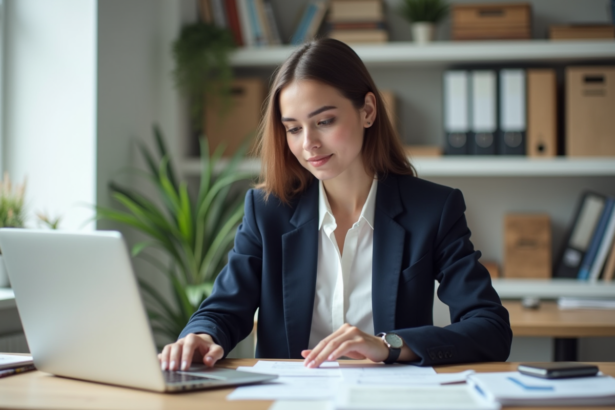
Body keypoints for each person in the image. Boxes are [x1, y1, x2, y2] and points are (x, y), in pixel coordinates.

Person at [158, 38, 512, 372]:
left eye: (324, 121)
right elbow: (224, 308)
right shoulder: (268, 210)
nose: (308, 143)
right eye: (293, 128)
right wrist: (201, 337)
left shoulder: (433, 210)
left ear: (368, 111)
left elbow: (490, 329)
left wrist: (388, 345)